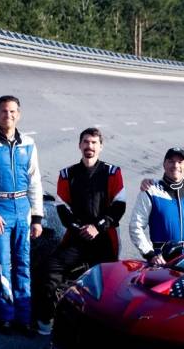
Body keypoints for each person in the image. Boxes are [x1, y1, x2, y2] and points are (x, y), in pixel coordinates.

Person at [36, 128, 126, 334]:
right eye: (86, 142)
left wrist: (98, 227)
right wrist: (80, 228)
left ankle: (101, 331)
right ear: (79, 145)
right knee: (49, 269)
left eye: (94, 143)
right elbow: (62, 209)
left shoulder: (113, 172)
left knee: (105, 287)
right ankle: (45, 320)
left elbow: (119, 206)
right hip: (76, 239)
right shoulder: (67, 174)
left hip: (104, 240)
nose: (89, 146)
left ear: (100, 146)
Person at [0, 95, 43, 335]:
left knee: (23, 265)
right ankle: (6, 316)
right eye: (4, 111)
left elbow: (35, 181)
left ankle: (24, 317)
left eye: (13, 112)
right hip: (1, 209)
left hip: (22, 209)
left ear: (19, 114)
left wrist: (37, 218)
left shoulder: (27, 144)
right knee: (2, 264)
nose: (8, 115)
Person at [129, 147, 184, 264]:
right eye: (171, 161)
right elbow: (135, 226)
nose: (176, 165)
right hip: (163, 261)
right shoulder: (151, 190)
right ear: (164, 164)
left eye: (180, 162)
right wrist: (150, 254)